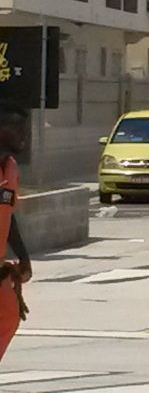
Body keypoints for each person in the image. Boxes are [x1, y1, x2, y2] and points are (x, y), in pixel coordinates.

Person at [0, 101, 32, 361]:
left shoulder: (10, 168)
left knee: (9, 315)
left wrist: (23, 256)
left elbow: (7, 214)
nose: (25, 135)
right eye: (18, 128)